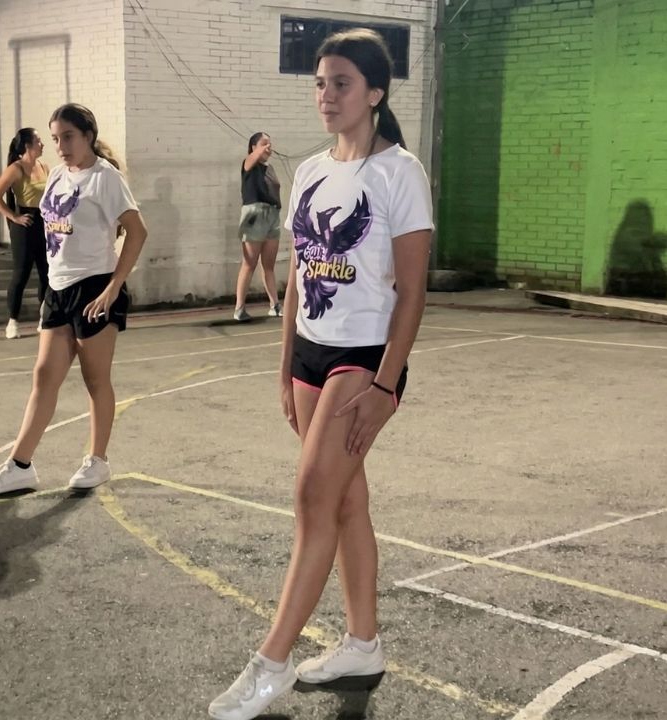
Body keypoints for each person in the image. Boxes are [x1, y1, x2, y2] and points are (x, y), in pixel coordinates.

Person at [208, 29, 434, 720]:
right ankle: (362, 643)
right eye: (319, 83)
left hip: (362, 360)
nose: (327, 96)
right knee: (345, 503)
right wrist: (284, 370)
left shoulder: (400, 173)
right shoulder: (307, 172)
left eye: (341, 83)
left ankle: (270, 662)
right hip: (309, 352)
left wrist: (386, 383)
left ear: (374, 93)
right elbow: (302, 282)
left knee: (311, 497)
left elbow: (414, 291)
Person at [0, 104, 147, 496]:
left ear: (88, 134)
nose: (61, 146)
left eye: (67, 137)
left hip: (95, 289)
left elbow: (137, 233)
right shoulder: (55, 175)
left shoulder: (107, 179)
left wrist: (113, 287)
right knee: (44, 376)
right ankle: (20, 466)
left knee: (94, 379)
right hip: (58, 289)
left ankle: (97, 460)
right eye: (55, 138)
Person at [0, 128, 51, 339]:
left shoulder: (44, 166)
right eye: (38, 141)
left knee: (47, 272)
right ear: (27, 146)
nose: (42, 144)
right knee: (21, 273)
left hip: (45, 222)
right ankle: (12, 321)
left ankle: (44, 317)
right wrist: (14, 217)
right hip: (25, 222)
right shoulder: (16, 168)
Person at [234, 132, 283, 321]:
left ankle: (275, 305)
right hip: (254, 214)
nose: (269, 147)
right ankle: (239, 308)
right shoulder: (248, 164)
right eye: (264, 144)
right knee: (249, 263)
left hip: (272, 214)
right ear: (253, 147)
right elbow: (251, 159)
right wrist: (260, 150)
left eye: (270, 144)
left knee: (268, 265)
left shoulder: (269, 169)